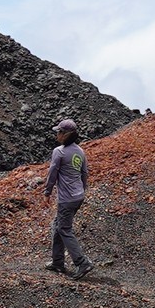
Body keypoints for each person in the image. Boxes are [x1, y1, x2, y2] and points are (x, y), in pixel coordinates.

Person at [45, 117, 91, 275]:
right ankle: (58, 262)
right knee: (58, 225)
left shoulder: (59, 152)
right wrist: (82, 190)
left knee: (64, 229)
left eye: (58, 132)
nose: (56, 135)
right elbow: (84, 173)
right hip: (78, 196)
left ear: (65, 134)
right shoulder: (80, 151)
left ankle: (81, 262)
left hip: (66, 198)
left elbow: (52, 174)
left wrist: (47, 192)